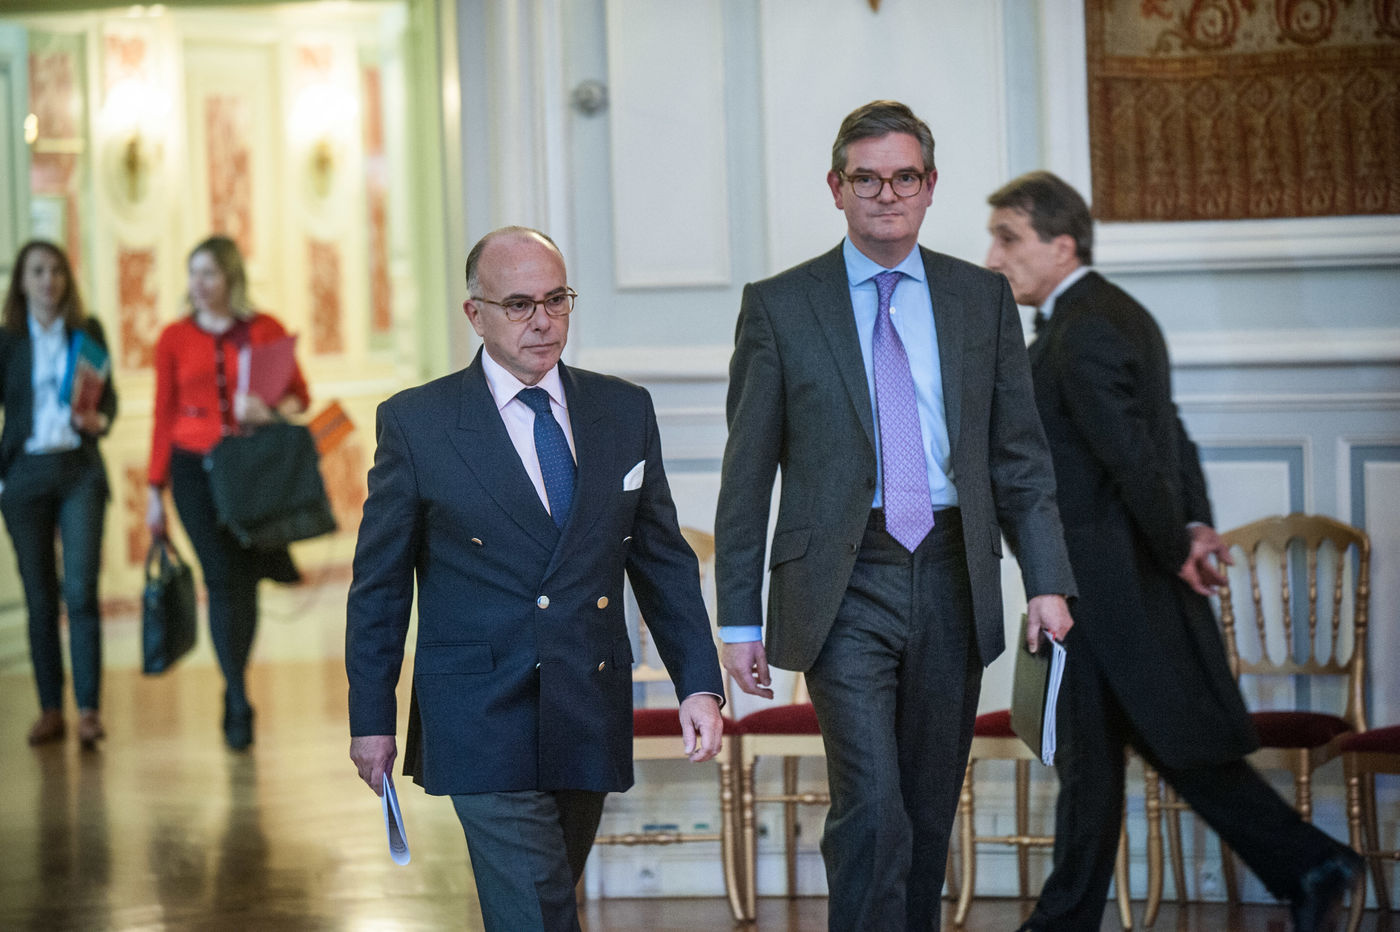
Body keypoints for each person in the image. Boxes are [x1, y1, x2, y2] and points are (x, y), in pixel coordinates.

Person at [714, 100, 1077, 931]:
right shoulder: (780, 305)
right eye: (867, 179)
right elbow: (747, 475)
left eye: (904, 178)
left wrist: (1047, 581)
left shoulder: (982, 298)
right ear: (836, 188)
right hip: (842, 582)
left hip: (952, 570)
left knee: (924, 806)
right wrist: (738, 619)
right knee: (872, 805)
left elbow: (1019, 457)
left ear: (930, 186)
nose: (887, 195)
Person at [984, 170, 1363, 932]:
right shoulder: (1117, 314)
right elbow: (1170, 433)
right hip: (1117, 579)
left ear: (1062, 246)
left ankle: (1310, 862)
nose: (993, 257)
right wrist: (1190, 527)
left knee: (1141, 752)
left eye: (1008, 239)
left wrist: (1176, 543)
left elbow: (1132, 455)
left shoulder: (1081, 331)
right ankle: (1306, 864)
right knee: (1106, 758)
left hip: (1104, 587)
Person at [346, 226, 724, 932]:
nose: (543, 321)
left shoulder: (622, 410)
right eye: (519, 305)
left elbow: (663, 561)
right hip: (478, 711)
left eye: (556, 300)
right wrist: (371, 719)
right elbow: (381, 588)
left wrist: (697, 682)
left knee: (544, 898)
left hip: (587, 698)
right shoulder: (418, 424)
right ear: (475, 314)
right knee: (537, 906)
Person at [145, 234, 309, 751]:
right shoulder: (173, 337)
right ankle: (237, 695)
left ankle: (235, 680)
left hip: (248, 470)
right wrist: (153, 490)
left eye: (209, 273)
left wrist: (270, 408)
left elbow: (299, 396)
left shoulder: (265, 329)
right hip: (193, 469)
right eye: (193, 272)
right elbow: (162, 414)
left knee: (244, 579)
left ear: (230, 277)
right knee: (219, 576)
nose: (198, 283)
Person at [0, 240, 117, 749]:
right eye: (37, 271)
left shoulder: (87, 333)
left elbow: (109, 405)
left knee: (80, 591)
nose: (48, 280)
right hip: (24, 476)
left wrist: (98, 420)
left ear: (66, 280)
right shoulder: (8, 341)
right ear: (22, 283)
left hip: (79, 472)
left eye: (56, 271)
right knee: (39, 597)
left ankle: (89, 711)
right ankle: (51, 709)